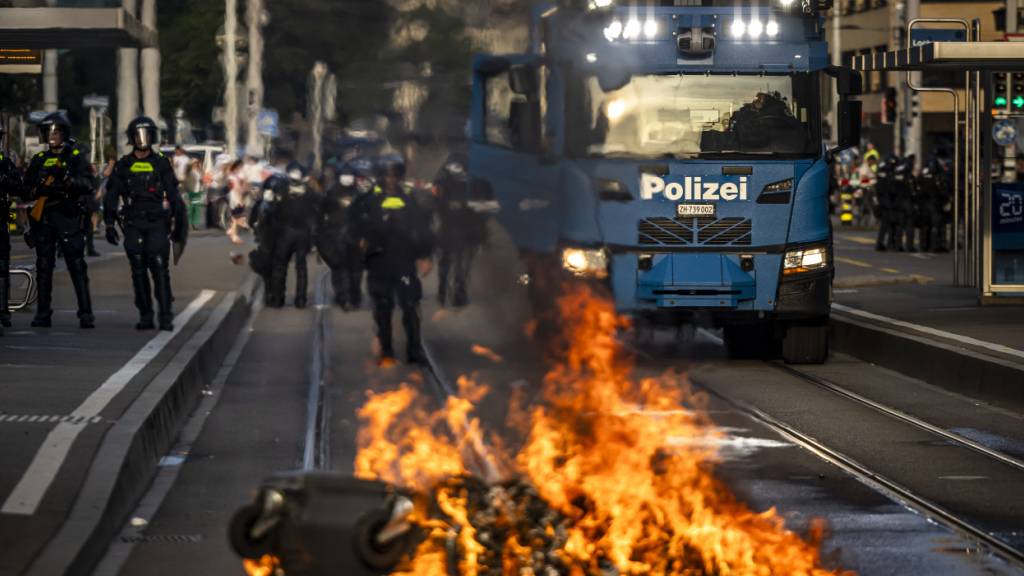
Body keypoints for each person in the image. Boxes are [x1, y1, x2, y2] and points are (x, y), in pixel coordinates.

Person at [104, 116, 185, 331]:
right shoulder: (124, 164)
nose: (142, 140)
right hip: (133, 221)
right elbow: (111, 194)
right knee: (138, 268)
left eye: (146, 134)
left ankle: (166, 314)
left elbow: (174, 194)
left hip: (157, 221)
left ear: (153, 136)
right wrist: (109, 223)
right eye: (138, 135)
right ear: (131, 138)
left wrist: (178, 223)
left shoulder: (160, 163)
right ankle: (146, 314)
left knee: (159, 266)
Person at [352, 153, 434, 363]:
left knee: (410, 305)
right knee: (382, 307)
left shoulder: (409, 199)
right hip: (379, 261)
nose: (390, 179)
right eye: (386, 175)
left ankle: (414, 350)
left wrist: (425, 255)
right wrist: (360, 243)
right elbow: (354, 226)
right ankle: (386, 349)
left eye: (394, 175)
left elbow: (423, 228)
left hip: (404, 260)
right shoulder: (367, 200)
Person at [23, 112, 96, 329]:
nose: (52, 136)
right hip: (45, 218)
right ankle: (43, 313)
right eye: (48, 131)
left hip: (67, 216)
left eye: (56, 131)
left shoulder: (74, 157)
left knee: (76, 265)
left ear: (64, 133)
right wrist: (39, 189)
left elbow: (87, 184)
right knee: (44, 266)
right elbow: (26, 189)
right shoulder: (39, 160)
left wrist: (67, 181)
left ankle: (86, 313)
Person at [433, 153, 485, 307]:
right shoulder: (470, 161)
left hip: (456, 225)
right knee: (459, 262)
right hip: (456, 225)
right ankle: (452, 293)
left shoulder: (454, 161)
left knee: (453, 261)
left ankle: (448, 293)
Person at [266, 162, 318, 309]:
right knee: (298, 267)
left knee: (281, 266)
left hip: (288, 232)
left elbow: (271, 209)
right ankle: (298, 300)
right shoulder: (306, 191)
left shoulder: (282, 188)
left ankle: (279, 299)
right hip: (296, 232)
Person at [317, 161, 365, 310]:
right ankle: (342, 296)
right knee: (339, 268)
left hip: (356, 236)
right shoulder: (331, 194)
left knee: (356, 270)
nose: (347, 178)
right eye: (344, 175)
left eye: (350, 176)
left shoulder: (360, 194)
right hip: (335, 236)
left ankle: (355, 296)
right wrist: (320, 237)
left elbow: (367, 215)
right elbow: (321, 214)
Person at [0, 125, 23, 334]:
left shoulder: (4, 163)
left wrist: (8, 181)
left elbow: (19, 187)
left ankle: (3, 311)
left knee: (1, 267)